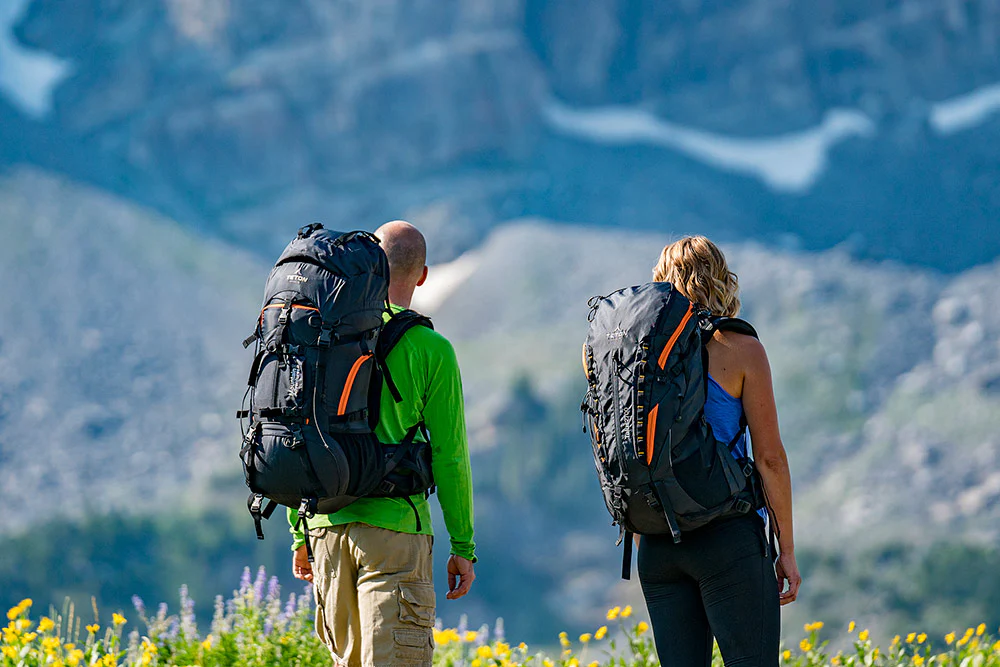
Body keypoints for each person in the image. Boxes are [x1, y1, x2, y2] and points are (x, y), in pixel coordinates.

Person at [289, 220, 476, 667]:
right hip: (396, 532)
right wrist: (462, 547)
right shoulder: (431, 349)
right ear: (423, 275)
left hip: (326, 529)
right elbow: (450, 456)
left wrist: (300, 532)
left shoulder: (324, 333)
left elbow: (296, 428)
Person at [637, 236, 801, 667]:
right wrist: (786, 547)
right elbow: (770, 460)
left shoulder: (633, 355)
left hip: (658, 544)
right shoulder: (741, 350)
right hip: (726, 535)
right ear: (722, 281)